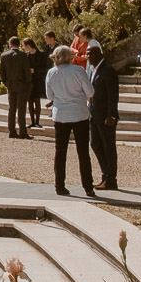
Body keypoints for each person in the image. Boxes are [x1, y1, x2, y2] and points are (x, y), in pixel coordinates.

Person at [44, 45, 96, 197]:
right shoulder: (78, 71)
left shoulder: (51, 73)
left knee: (60, 151)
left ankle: (59, 185)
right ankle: (88, 186)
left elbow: (49, 95)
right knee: (83, 152)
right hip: (79, 113)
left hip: (60, 114)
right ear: (70, 57)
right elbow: (90, 92)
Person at [86, 36, 120, 190]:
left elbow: (113, 95)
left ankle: (111, 179)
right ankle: (105, 174)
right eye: (87, 54)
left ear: (98, 54)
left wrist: (111, 115)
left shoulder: (108, 70)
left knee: (108, 146)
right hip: (94, 114)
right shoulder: (94, 70)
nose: (87, 57)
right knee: (95, 144)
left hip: (105, 116)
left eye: (90, 54)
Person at [0, 38, 33, 139]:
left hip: (11, 85)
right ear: (19, 45)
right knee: (21, 109)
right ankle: (22, 131)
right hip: (22, 85)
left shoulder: (4, 56)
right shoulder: (23, 56)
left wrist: (6, 83)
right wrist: (29, 82)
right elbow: (27, 72)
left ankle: (12, 131)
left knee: (12, 108)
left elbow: (2, 72)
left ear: (10, 44)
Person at [25, 38, 50, 129]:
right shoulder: (26, 56)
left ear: (28, 45)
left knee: (37, 101)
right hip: (29, 81)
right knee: (30, 101)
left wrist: (35, 71)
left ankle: (37, 121)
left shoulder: (41, 55)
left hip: (38, 80)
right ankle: (32, 121)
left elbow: (45, 68)